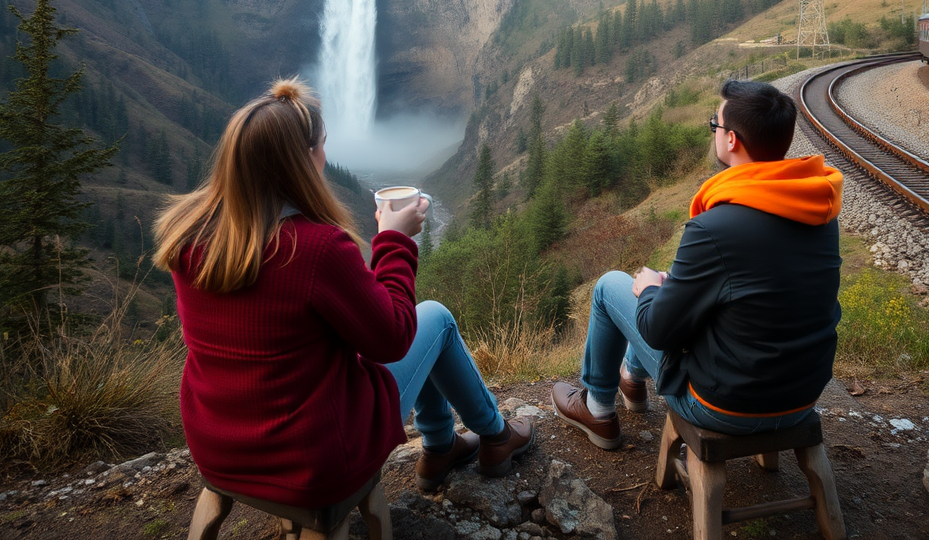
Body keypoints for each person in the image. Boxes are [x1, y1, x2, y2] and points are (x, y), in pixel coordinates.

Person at [154, 77, 533, 508]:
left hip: (219, 448)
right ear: (300, 161)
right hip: (315, 459)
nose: (326, 156)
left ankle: (443, 447)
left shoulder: (186, 233)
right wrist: (394, 240)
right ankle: (495, 436)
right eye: (321, 146)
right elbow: (393, 338)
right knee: (434, 320)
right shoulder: (313, 249)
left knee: (416, 329)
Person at [552, 78, 842, 446]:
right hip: (802, 397)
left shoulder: (715, 227)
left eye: (714, 125)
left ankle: (596, 408)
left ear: (732, 140)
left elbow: (657, 330)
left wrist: (649, 291)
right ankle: (631, 379)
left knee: (612, 286)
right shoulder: (819, 211)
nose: (713, 132)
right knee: (684, 292)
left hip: (724, 405)